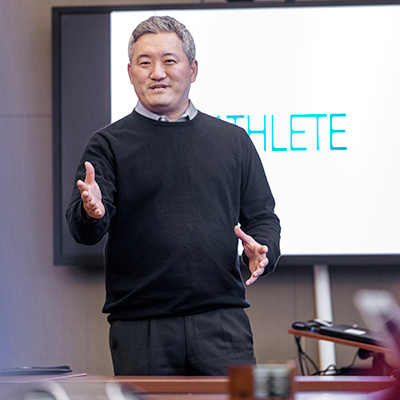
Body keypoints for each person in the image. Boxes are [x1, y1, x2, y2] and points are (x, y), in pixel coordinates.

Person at [66, 15, 281, 376]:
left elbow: (262, 218)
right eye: (145, 62)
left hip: (221, 322)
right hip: (140, 326)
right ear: (130, 71)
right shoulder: (107, 144)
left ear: (192, 69)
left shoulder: (232, 141)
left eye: (169, 61)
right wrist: (93, 211)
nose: (157, 73)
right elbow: (83, 230)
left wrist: (262, 251)